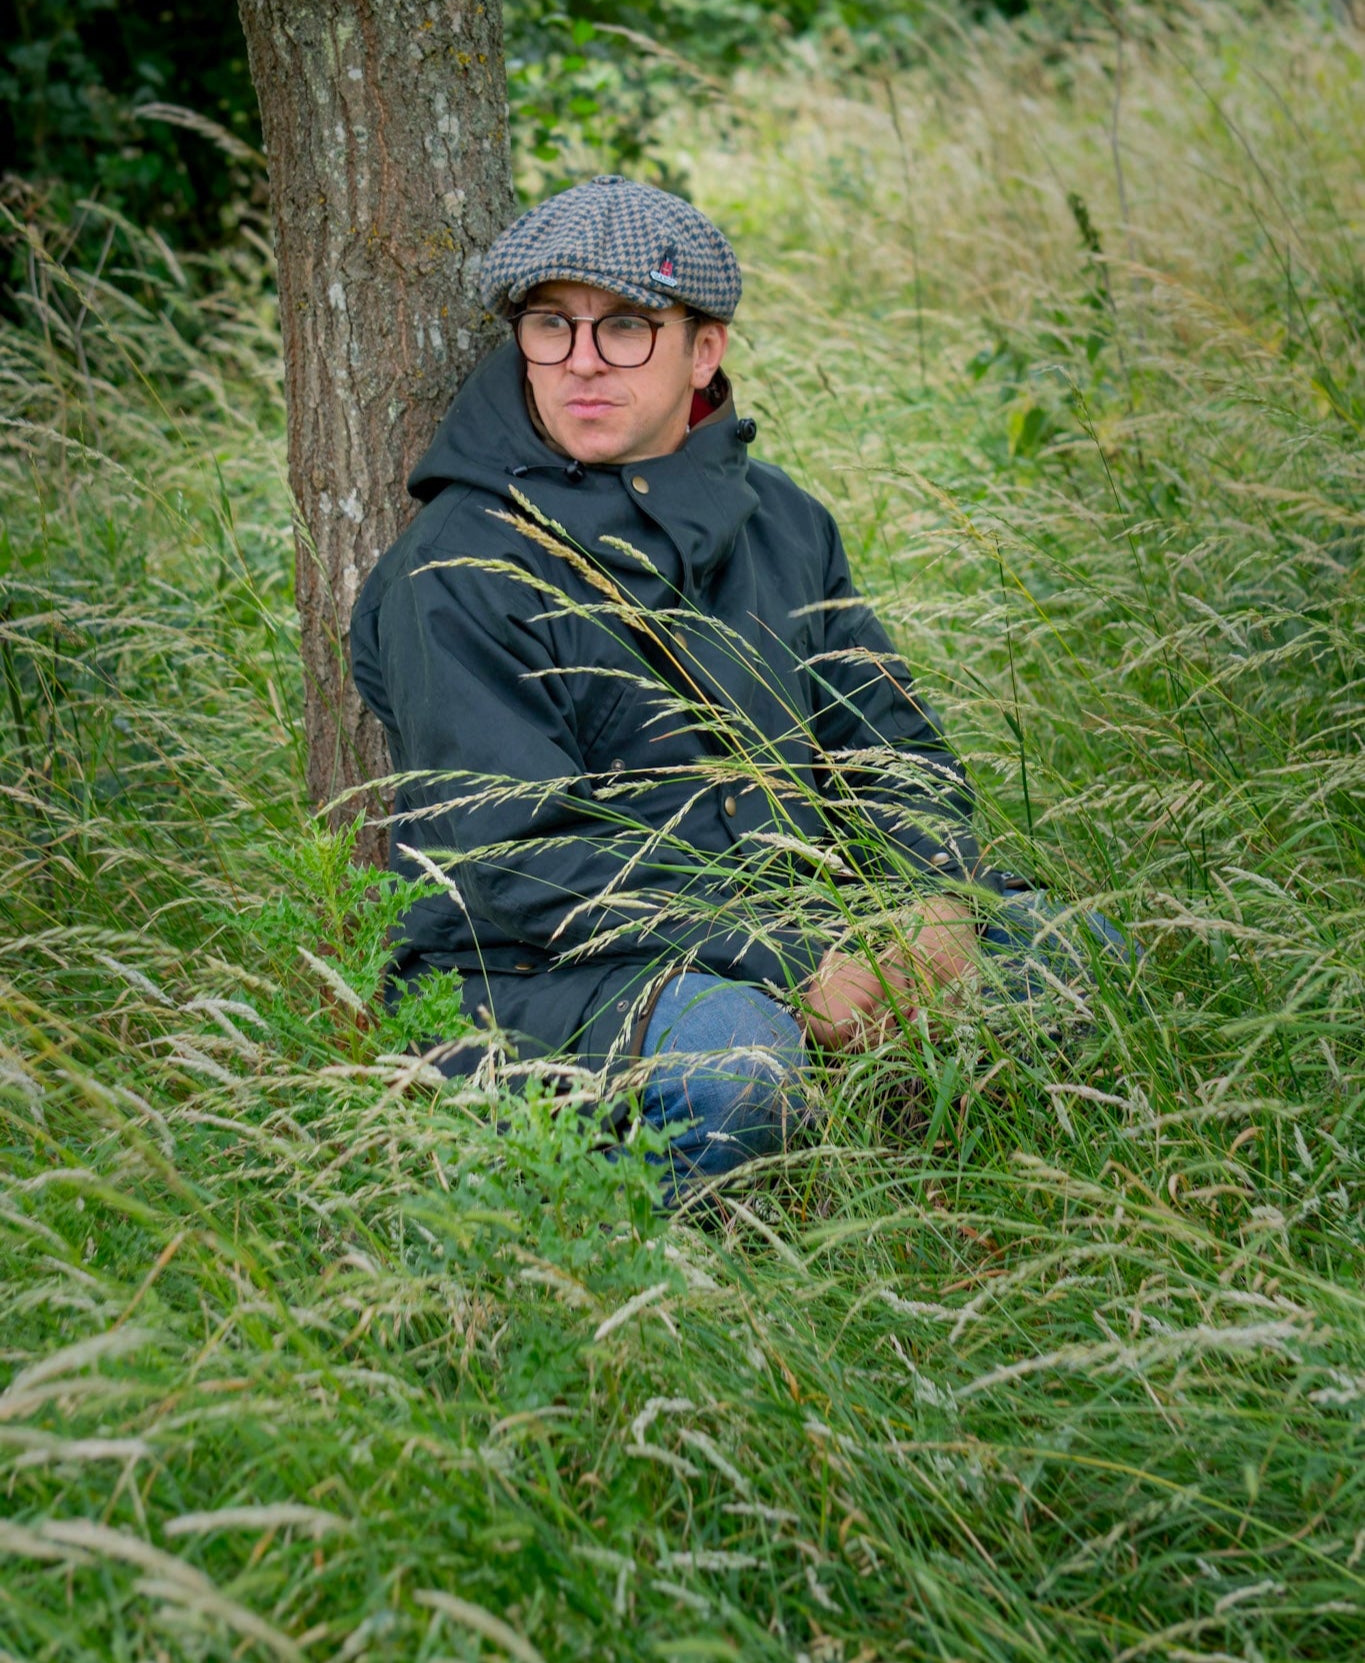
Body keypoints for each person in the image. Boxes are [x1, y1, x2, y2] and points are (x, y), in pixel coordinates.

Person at [349, 176, 1108, 1190]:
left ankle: (918, 1166)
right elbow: (517, 862)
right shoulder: (456, 569)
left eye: (626, 327)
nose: (582, 361)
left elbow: (888, 744)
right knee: (737, 1066)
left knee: (1079, 955)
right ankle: (656, 1258)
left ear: (703, 350)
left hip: (809, 926)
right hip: (541, 977)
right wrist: (797, 961)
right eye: (551, 324)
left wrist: (933, 896)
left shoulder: (783, 521)